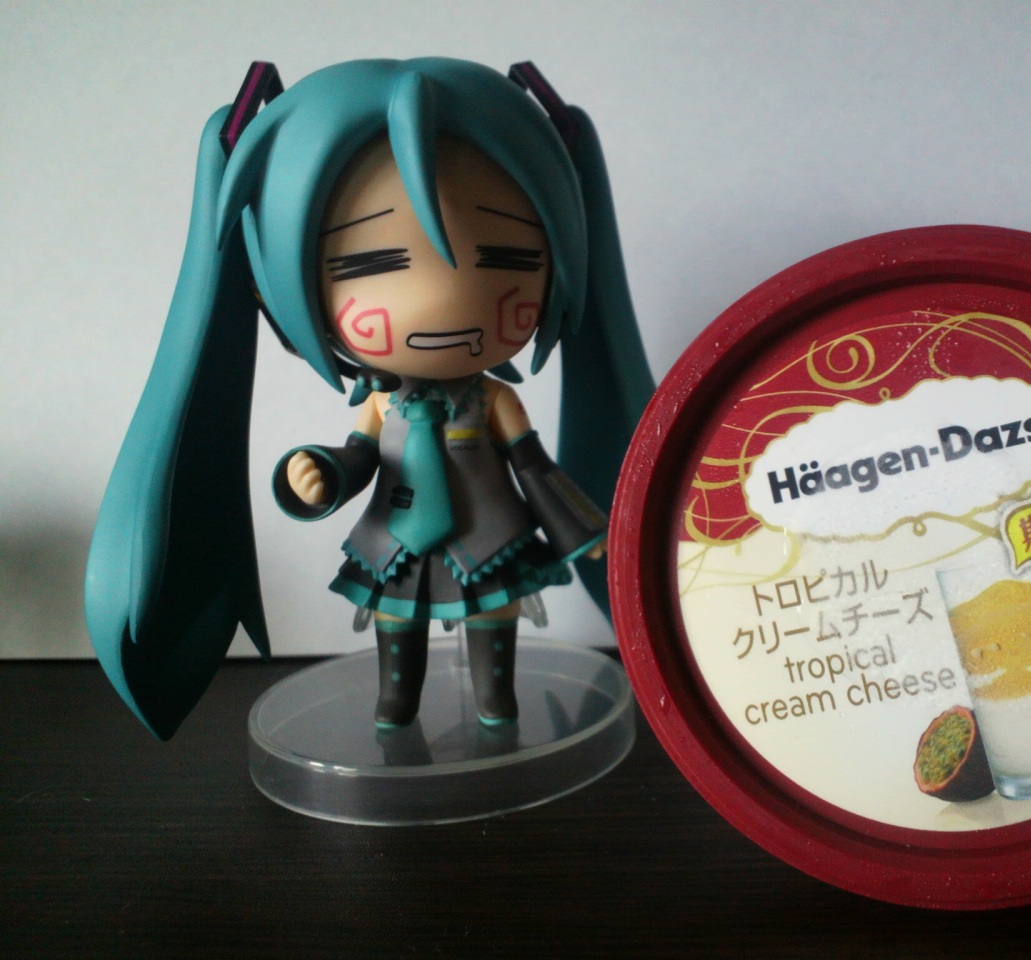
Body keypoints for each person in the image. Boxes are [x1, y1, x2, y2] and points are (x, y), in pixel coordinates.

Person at [85, 58, 651, 740]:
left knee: (494, 621)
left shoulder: (495, 402)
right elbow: (359, 456)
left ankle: (497, 702)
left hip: (494, 542)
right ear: (274, 286)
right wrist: (322, 474)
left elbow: (534, 469)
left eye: (508, 258)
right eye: (369, 265)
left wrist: (587, 533)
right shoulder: (382, 406)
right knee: (395, 624)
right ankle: (395, 704)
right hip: (394, 544)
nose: (440, 295)